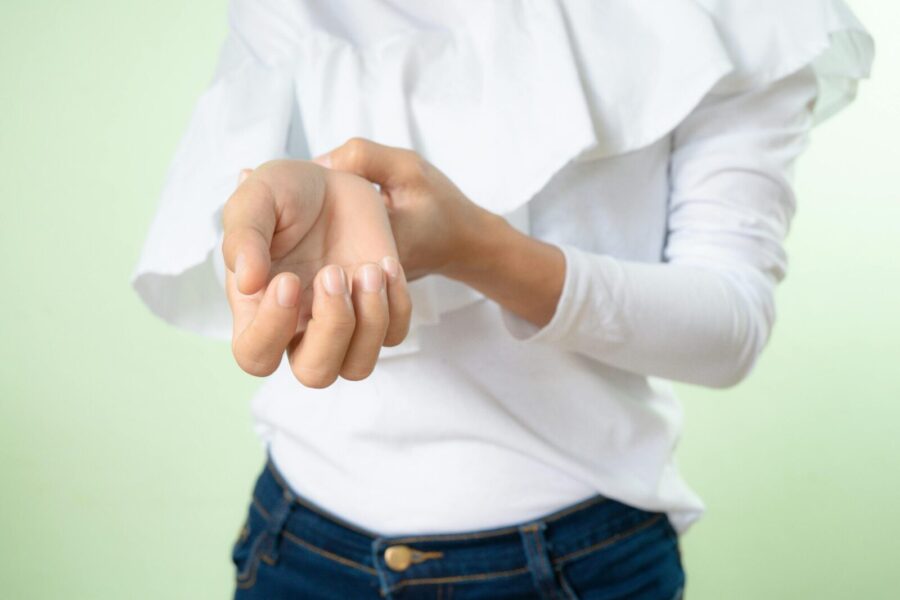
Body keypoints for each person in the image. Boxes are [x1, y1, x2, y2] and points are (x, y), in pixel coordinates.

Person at [133, 1, 873, 598]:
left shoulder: (740, 15)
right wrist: (269, 257)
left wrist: (475, 249)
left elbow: (729, 326)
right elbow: (273, 228)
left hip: (576, 565)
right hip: (300, 551)